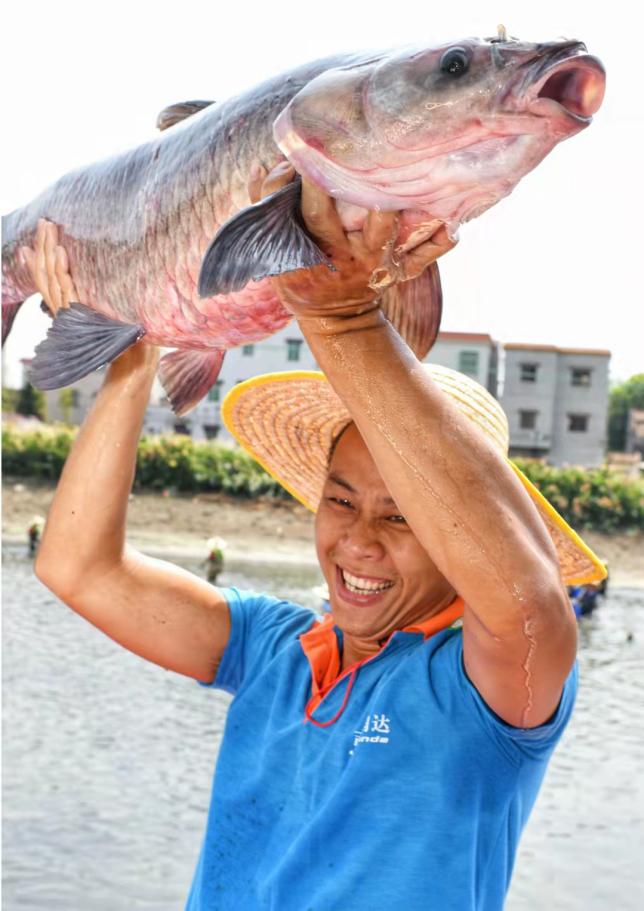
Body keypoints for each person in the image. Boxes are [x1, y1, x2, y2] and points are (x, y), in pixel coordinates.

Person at [26, 165, 606, 911]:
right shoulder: (272, 648)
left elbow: (527, 601)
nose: (358, 541)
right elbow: (77, 566)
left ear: (459, 539)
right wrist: (132, 347)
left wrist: (340, 312)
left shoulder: (486, 686)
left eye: (402, 516)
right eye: (340, 499)